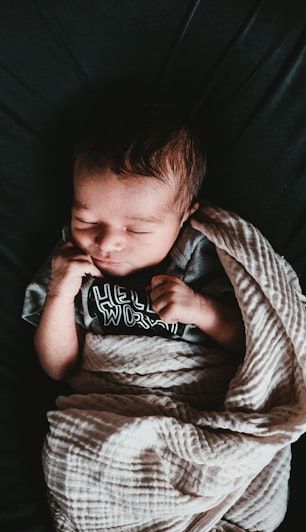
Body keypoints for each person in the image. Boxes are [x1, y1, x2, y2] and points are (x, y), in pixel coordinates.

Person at [22, 101, 244, 380]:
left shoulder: (199, 256)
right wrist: (59, 296)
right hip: (107, 401)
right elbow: (59, 369)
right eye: (87, 221)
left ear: (183, 219)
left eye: (136, 230)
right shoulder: (69, 265)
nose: (105, 243)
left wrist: (202, 310)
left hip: (192, 391)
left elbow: (250, 341)